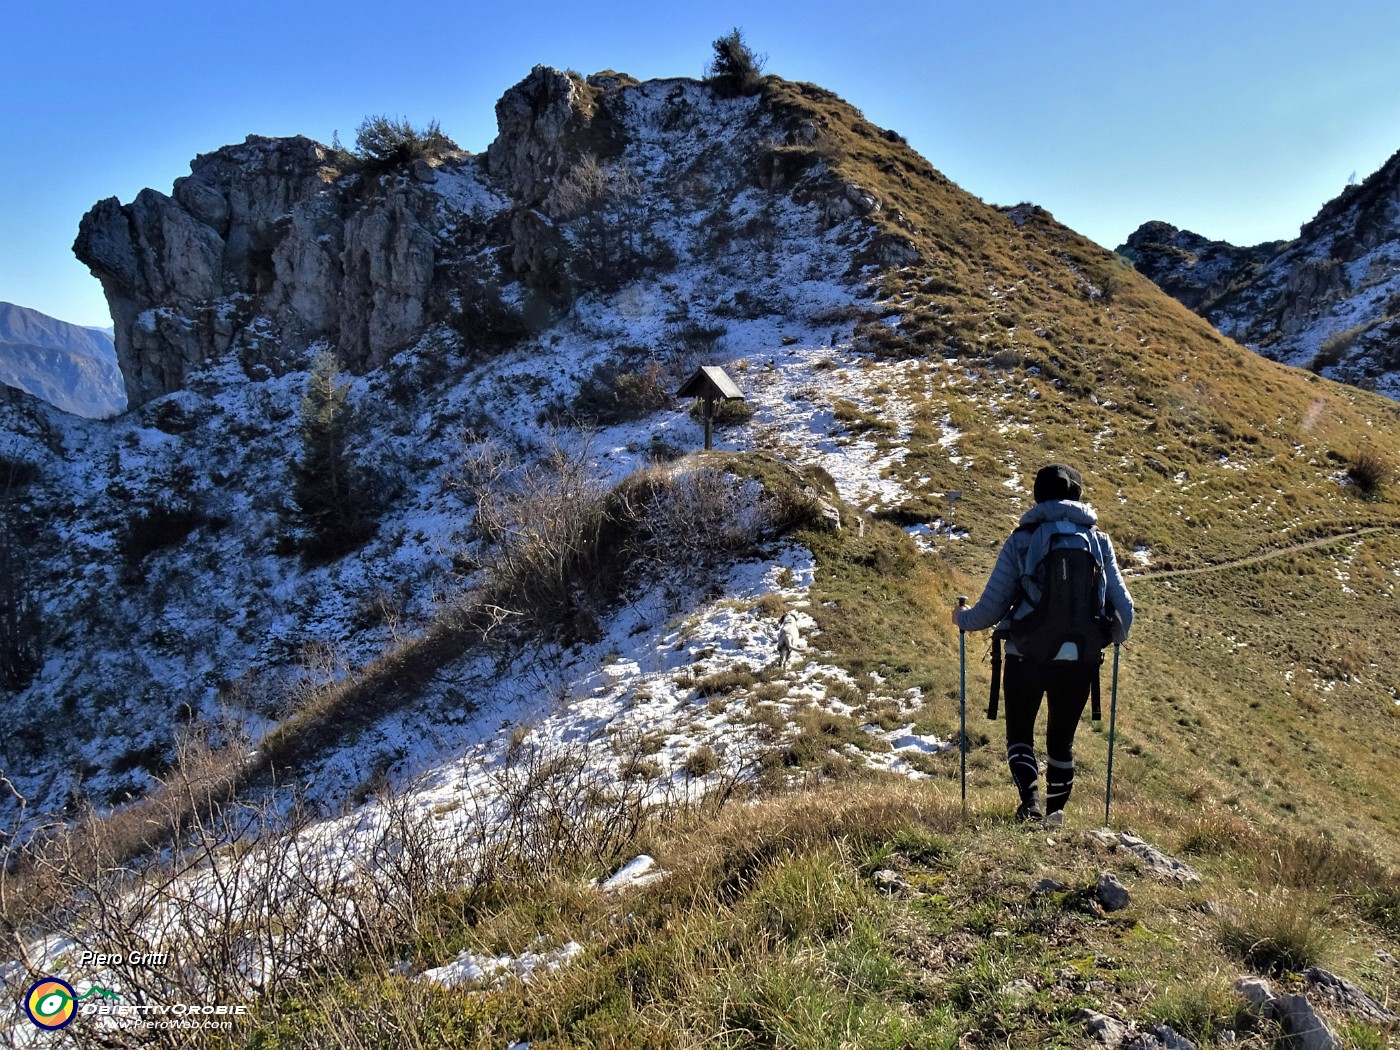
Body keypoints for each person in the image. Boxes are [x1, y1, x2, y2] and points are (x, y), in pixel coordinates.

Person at [951, 464, 1134, 825]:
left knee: (1020, 732)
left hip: (1026, 655)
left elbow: (990, 610)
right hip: (1080, 658)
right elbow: (1125, 611)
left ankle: (1030, 804)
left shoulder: (1021, 539)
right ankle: (1056, 813)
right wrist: (1110, 636)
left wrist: (962, 618)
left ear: (1037, 496)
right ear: (1077, 496)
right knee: (1061, 742)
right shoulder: (1098, 541)